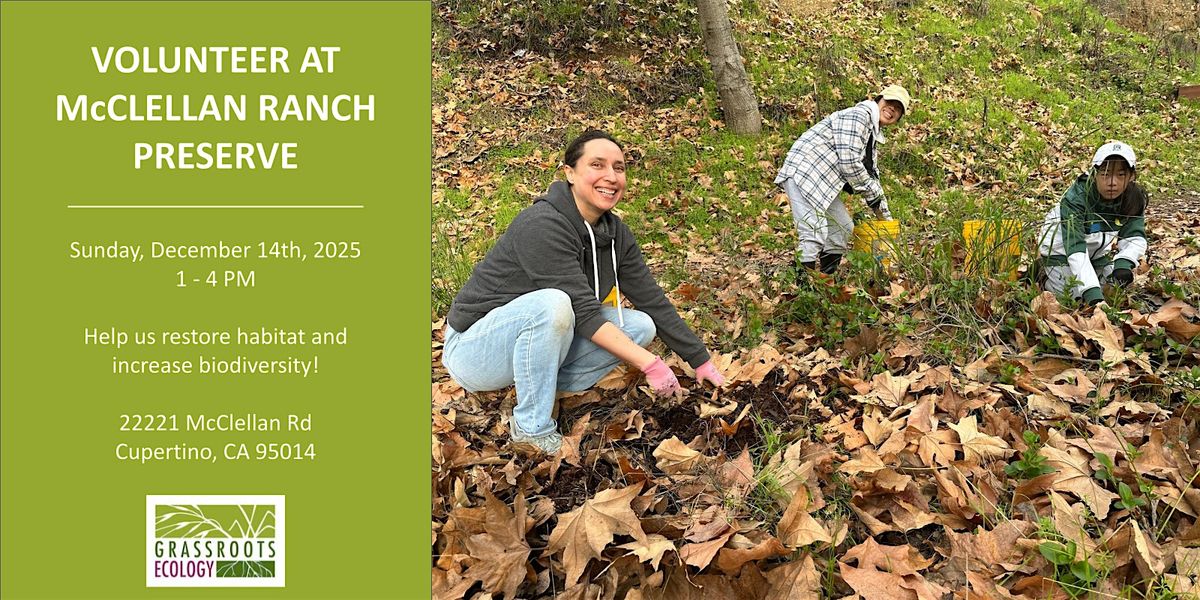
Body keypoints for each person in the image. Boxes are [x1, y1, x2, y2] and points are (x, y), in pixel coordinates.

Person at [442, 130, 726, 454]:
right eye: (597, 165)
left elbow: (652, 299)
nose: (611, 176)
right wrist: (651, 365)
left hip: (534, 341)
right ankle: (531, 429)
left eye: (619, 168)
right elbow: (586, 315)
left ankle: (546, 385)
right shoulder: (542, 225)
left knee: (641, 326)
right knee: (554, 303)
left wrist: (700, 360)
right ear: (570, 173)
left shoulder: (615, 234)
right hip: (473, 349)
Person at [775, 85, 911, 276]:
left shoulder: (870, 135)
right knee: (814, 232)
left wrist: (886, 219)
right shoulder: (859, 116)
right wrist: (872, 198)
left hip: (822, 182)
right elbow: (849, 162)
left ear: (899, 118)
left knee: (843, 227)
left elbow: (872, 177)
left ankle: (827, 280)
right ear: (879, 100)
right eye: (890, 103)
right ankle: (802, 288)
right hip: (805, 172)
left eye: (898, 109)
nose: (892, 109)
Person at [1037, 141, 1148, 306]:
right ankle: (1041, 273)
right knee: (1076, 300)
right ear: (1094, 173)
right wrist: (1093, 295)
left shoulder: (1132, 199)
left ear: (1131, 176)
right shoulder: (1076, 199)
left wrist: (1124, 262)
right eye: (1105, 173)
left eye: (1121, 175)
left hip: (1096, 256)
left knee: (1116, 290)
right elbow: (1075, 249)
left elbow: (1136, 237)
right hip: (1061, 255)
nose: (1112, 182)